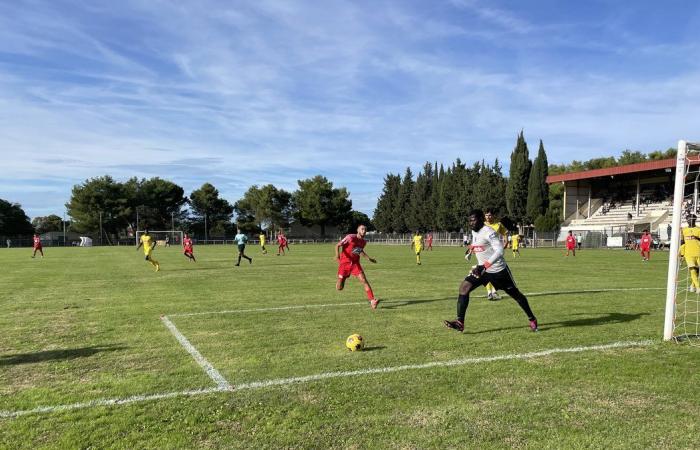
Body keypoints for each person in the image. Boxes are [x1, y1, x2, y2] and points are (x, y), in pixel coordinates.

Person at [444, 210, 538, 333]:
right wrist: (470, 250)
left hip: (498, 271)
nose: (471, 223)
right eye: (470, 220)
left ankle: (532, 318)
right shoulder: (474, 231)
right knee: (464, 288)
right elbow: (477, 243)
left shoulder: (489, 232)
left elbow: (500, 251)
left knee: (516, 295)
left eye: (474, 220)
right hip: (482, 270)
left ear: (481, 219)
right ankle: (460, 322)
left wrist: (485, 266)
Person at [335, 224, 379, 309]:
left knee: (364, 280)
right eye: (362, 229)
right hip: (344, 263)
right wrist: (337, 256)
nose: (364, 231)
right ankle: (341, 279)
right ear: (357, 230)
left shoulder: (363, 242)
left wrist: (368, 258)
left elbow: (358, 251)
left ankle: (372, 301)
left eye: (365, 229)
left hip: (355, 264)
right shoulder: (350, 237)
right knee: (340, 287)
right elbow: (337, 245)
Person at [483, 209, 508, 301]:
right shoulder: (482, 225)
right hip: (485, 252)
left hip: (495, 252)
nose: (488, 217)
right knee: (486, 271)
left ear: (493, 216)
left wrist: (506, 241)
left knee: (496, 272)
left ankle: (493, 291)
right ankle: (490, 292)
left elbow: (505, 233)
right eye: (486, 215)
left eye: (489, 215)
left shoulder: (498, 225)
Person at [682, 215, 700, 292]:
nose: (690, 221)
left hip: (698, 253)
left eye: (692, 219)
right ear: (687, 220)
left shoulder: (699, 229)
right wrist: (682, 254)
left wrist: (697, 238)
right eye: (688, 220)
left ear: (695, 220)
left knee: (697, 271)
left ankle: (692, 285)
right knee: (692, 270)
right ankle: (698, 287)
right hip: (688, 254)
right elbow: (682, 243)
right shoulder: (684, 230)